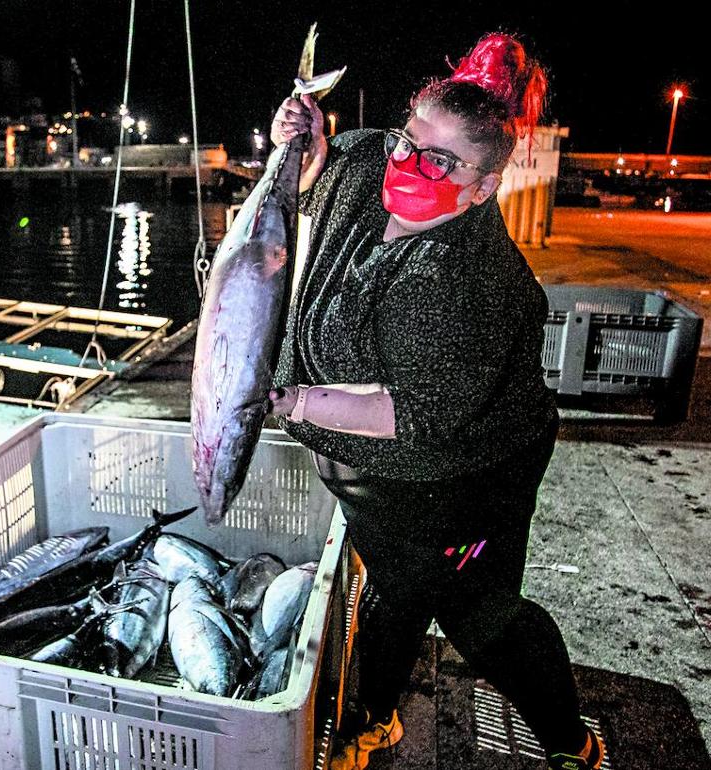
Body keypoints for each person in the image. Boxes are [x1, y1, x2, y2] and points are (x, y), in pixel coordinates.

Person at [266, 34, 604, 770]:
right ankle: (379, 717)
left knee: (481, 618)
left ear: (484, 188)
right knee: (396, 586)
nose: (410, 167)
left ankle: (572, 743)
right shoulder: (372, 162)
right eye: (409, 143)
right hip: (371, 477)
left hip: (464, 480)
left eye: (440, 162)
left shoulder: (465, 279)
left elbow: (412, 414)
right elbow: (315, 176)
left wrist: (293, 400)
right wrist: (303, 139)